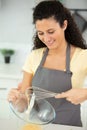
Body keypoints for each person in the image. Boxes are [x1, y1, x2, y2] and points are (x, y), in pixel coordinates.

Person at [8, 0, 87, 127]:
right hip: (36, 125)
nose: (46, 38)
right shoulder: (34, 56)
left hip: (67, 126)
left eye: (51, 31)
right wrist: (16, 100)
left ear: (64, 25)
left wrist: (86, 93)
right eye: (41, 33)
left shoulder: (83, 56)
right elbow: (23, 105)